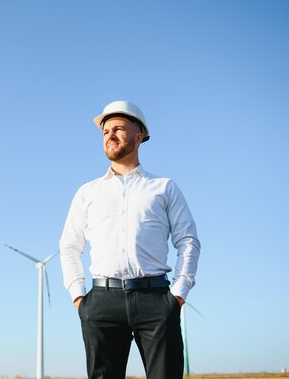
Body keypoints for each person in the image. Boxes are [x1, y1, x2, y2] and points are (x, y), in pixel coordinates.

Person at [59, 100, 201, 379]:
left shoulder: (164, 187)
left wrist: (179, 295)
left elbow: (188, 240)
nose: (110, 134)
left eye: (119, 128)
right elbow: (69, 246)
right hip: (101, 303)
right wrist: (79, 298)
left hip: (156, 300)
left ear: (140, 136)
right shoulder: (87, 192)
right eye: (105, 131)